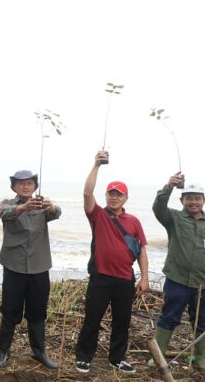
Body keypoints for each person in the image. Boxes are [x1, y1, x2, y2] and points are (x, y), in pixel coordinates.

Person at [74, 151, 149, 375]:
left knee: (122, 322)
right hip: (101, 277)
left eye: (118, 195)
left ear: (125, 198)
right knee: (92, 319)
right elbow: (87, 192)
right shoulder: (97, 215)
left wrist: (144, 277)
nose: (114, 198)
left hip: (125, 279)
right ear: (106, 197)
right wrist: (96, 165)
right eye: (110, 194)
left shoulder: (134, 221)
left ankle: (117, 358)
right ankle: (84, 357)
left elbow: (141, 250)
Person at [149, 173, 205, 373]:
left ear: (203, 200)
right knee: (168, 317)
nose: (193, 202)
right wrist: (168, 186)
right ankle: (157, 357)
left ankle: (200, 359)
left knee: (202, 321)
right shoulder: (173, 218)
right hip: (177, 280)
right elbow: (158, 208)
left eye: (197, 198)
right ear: (182, 200)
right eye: (189, 198)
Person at [0, 170, 60, 369]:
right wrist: (23, 207)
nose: (26, 186)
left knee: (38, 312)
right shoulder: (7, 203)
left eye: (30, 183)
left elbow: (57, 213)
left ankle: (39, 351)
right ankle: (3, 352)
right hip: (14, 266)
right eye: (21, 183)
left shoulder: (41, 205)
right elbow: (4, 213)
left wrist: (51, 206)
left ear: (35, 186)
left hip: (39, 267)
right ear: (14, 186)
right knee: (10, 311)